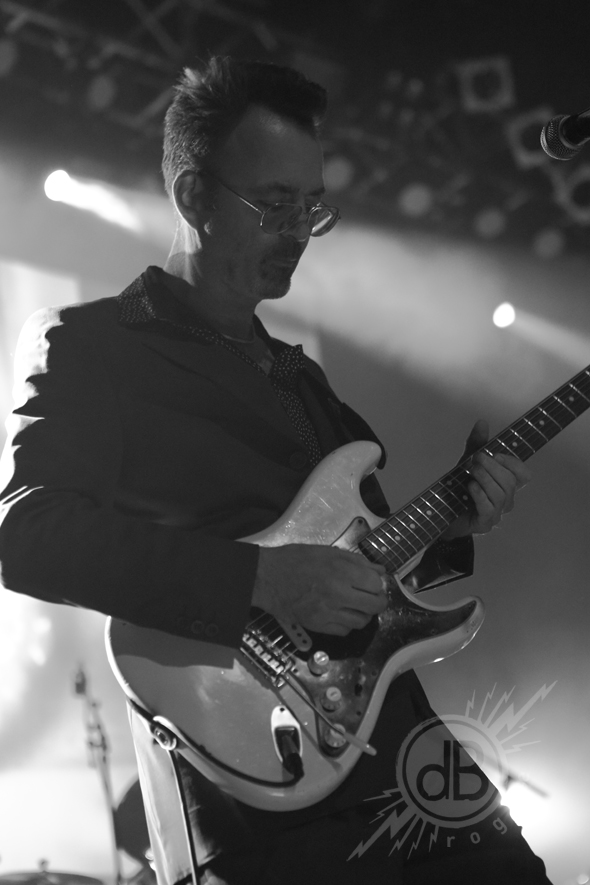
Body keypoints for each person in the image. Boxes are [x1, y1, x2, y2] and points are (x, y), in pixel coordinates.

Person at [0, 58, 550, 885]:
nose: (298, 231)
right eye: (275, 205)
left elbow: (366, 561)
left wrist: (454, 523)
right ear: (194, 197)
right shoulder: (90, 345)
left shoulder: (303, 378)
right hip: (259, 771)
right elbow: (28, 534)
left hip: (408, 755)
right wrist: (262, 580)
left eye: (312, 207)